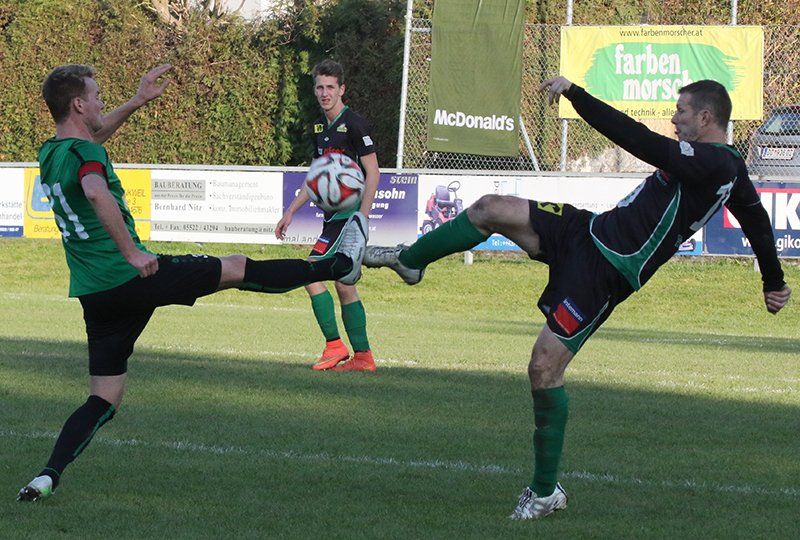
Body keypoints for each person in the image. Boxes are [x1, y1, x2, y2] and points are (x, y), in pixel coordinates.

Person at [363, 76, 792, 520]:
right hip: (586, 231)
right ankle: (410, 261)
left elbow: (639, 140)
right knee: (491, 207)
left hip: (607, 272)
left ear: (705, 117)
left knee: (543, 367)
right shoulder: (722, 166)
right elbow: (758, 222)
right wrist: (773, 282)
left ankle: (544, 492)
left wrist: (576, 94)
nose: (673, 119)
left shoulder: (717, 164)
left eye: (680, 112)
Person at [16, 64, 367, 502]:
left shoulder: (52, 152)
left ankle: (47, 476)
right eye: (97, 95)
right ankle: (338, 266)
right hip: (134, 277)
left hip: (96, 295)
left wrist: (138, 101)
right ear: (78, 104)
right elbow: (94, 190)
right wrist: (132, 253)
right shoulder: (87, 156)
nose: (103, 102)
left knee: (103, 398)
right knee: (236, 268)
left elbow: (94, 138)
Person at [275, 59, 380, 372]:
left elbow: (373, 172)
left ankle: (335, 346)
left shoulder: (355, 124)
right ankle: (363, 357)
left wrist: (362, 218)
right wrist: (291, 211)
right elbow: (317, 176)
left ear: (342, 89)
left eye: (330, 87)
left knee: (310, 272)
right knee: (344, 283)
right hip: (332, 219)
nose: (324, 93)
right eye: (320, 87)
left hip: (349, 218)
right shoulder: (319, 128)